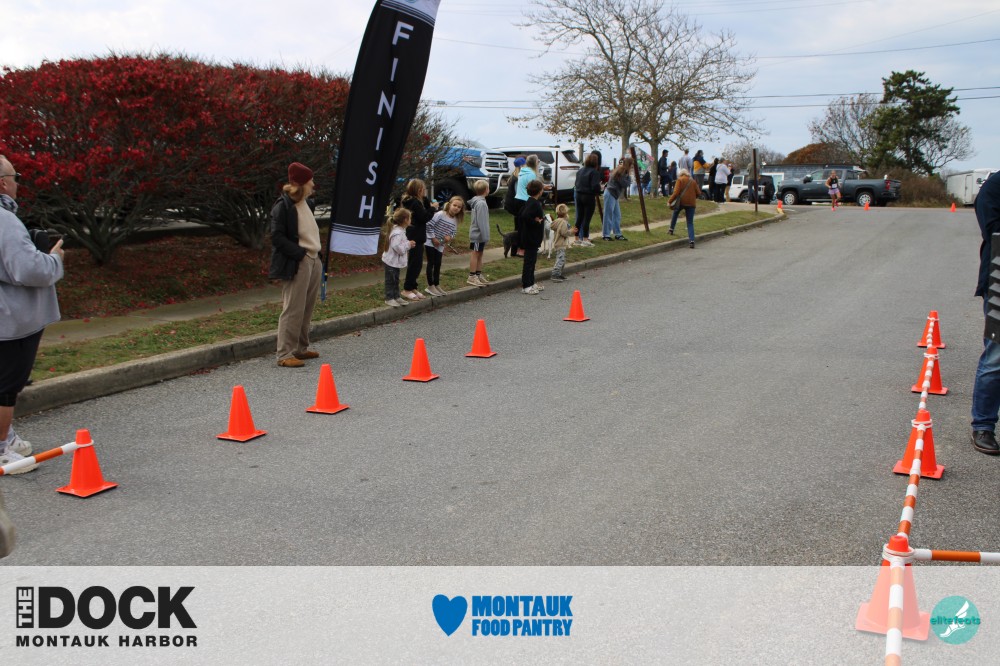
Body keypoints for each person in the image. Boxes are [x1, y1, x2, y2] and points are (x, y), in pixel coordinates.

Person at [0, 154, 64, 473]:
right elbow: (27, 269)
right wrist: (54, 259)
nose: (17, 184)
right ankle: (1, 449)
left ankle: (7, 437)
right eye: (16, 177)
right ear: (3, 184)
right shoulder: (5, 220)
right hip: (10, 320)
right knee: (6, 386)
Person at [270, 162, 322, 368]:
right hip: (298, 261)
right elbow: (277, 237)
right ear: (301, 183)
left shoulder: (307, 204)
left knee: (307, 307)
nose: (313, 184)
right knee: (293, 307)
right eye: (310, 181)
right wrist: (300, 254)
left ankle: (300, 347)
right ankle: (284, 353)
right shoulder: (283, 206)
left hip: (313, 259)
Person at [970, 171, 1000, 455]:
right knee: (996, 357)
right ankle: (983, 425)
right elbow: (993, 229)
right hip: (999, 282)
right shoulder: (995, 186)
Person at [400, 179, 437, 301]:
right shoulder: (414, 203)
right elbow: (424, 217)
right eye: (423, 189)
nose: (425, 191)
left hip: (418, 236)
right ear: (419, 190)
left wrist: (426, 200)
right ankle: (407, 289)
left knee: (418, 264)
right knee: (414, 264)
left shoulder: (418, 201)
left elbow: (425, 207)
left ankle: (413, 286)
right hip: (415, 236)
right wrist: (433, 209)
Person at [425, 195, 463, 296]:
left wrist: (449, 237)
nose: (456, 208)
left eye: (459, 207)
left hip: (440, 244)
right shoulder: (440, 214)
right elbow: (429, 225)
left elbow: (453, 232)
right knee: (431, 263)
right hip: (430, 241)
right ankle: (430, 286)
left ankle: (436, 284)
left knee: (438, 263)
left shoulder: (455, 220)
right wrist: (433, 238)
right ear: (449, 204)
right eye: (454, 205)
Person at [381, 208, 415, 308]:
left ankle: (396, 296)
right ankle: (389, 298)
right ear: (405, 220)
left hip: (395, 261)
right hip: (391, 261)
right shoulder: (398, 232)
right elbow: (397, 247)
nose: (411, 220)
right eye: (410, 218)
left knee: (395, 279)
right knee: (390, 280)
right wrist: (408, 245)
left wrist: (408, 243)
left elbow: (400, 244)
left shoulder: (401, 230)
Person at [519, 179, 545, 295]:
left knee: (532, 261)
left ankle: (531, 282)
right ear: (540, 191)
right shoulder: (534, 204)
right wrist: (536, 222)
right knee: (529, 262)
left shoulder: (531, 201)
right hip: (531, 237)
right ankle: (526, 285)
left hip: (532, 237)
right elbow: (525, 215)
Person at [573, 152, 601, 247]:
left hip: (579, 195)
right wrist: (600, 189)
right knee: (587, 218)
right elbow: (595, 186)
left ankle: (576, 238)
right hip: (588, 196)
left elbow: (576, 183)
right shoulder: (594, 172)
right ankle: (585, 239)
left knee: (579, 217)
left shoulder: (580, 171)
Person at [668, 168, 700, 249]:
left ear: (681, 174)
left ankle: (671, 229)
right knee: (690, 223)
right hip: (691, 203)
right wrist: (693, 197)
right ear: (687, 174)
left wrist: (670, 201)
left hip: (681, 202)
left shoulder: (680, 180)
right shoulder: (693, 181)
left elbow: (676, 193)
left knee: (675, 213)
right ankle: (691, 240)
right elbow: (698, 193)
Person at [467, 180, 490, 287]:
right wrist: (485, 236)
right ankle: (472, 276)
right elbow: (481, 222)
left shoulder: (480, 202)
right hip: (477, 235)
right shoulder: (481, 203)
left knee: (480, 254)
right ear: (486, 190)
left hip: (480, 234)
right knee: (475, 254)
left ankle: (478, 274)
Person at [602, 157, 632, 241]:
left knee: (617, 215)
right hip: (610, 193)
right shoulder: (621, 172)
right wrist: (629, 179)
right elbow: (624, 184)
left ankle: (617, 233)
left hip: (614, 194)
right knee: (608, 215)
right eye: (631, 166)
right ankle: (606, 234)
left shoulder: (622, 171)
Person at [549, 203, 577, 283]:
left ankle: (559, 274)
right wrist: (571, 231)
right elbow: (564, 232)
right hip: (561, 243)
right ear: (565, 213)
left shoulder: (557, 221)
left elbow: (558, 229)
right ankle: (555, 275)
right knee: (560, 260)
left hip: (557, 243)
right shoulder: (563, 222)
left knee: (562, 260)